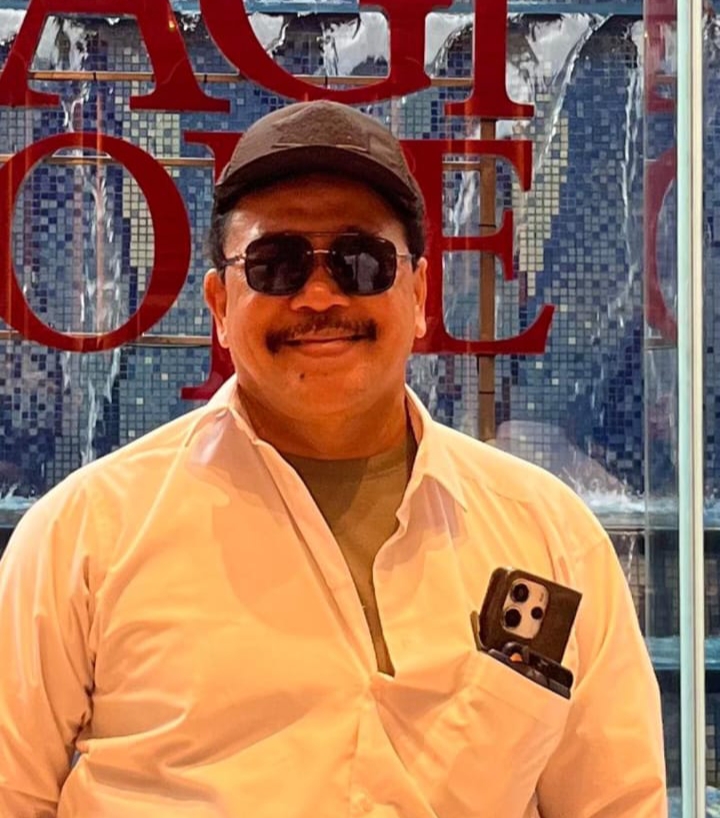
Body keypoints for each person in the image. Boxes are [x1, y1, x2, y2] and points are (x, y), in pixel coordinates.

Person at [0, 100, 666, 818]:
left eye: (361, 262)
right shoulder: (85, 535)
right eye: (276, 265)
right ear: (220, 305)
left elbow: (616, 803)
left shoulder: (551, 536)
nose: (319, 296)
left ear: (419, 293)